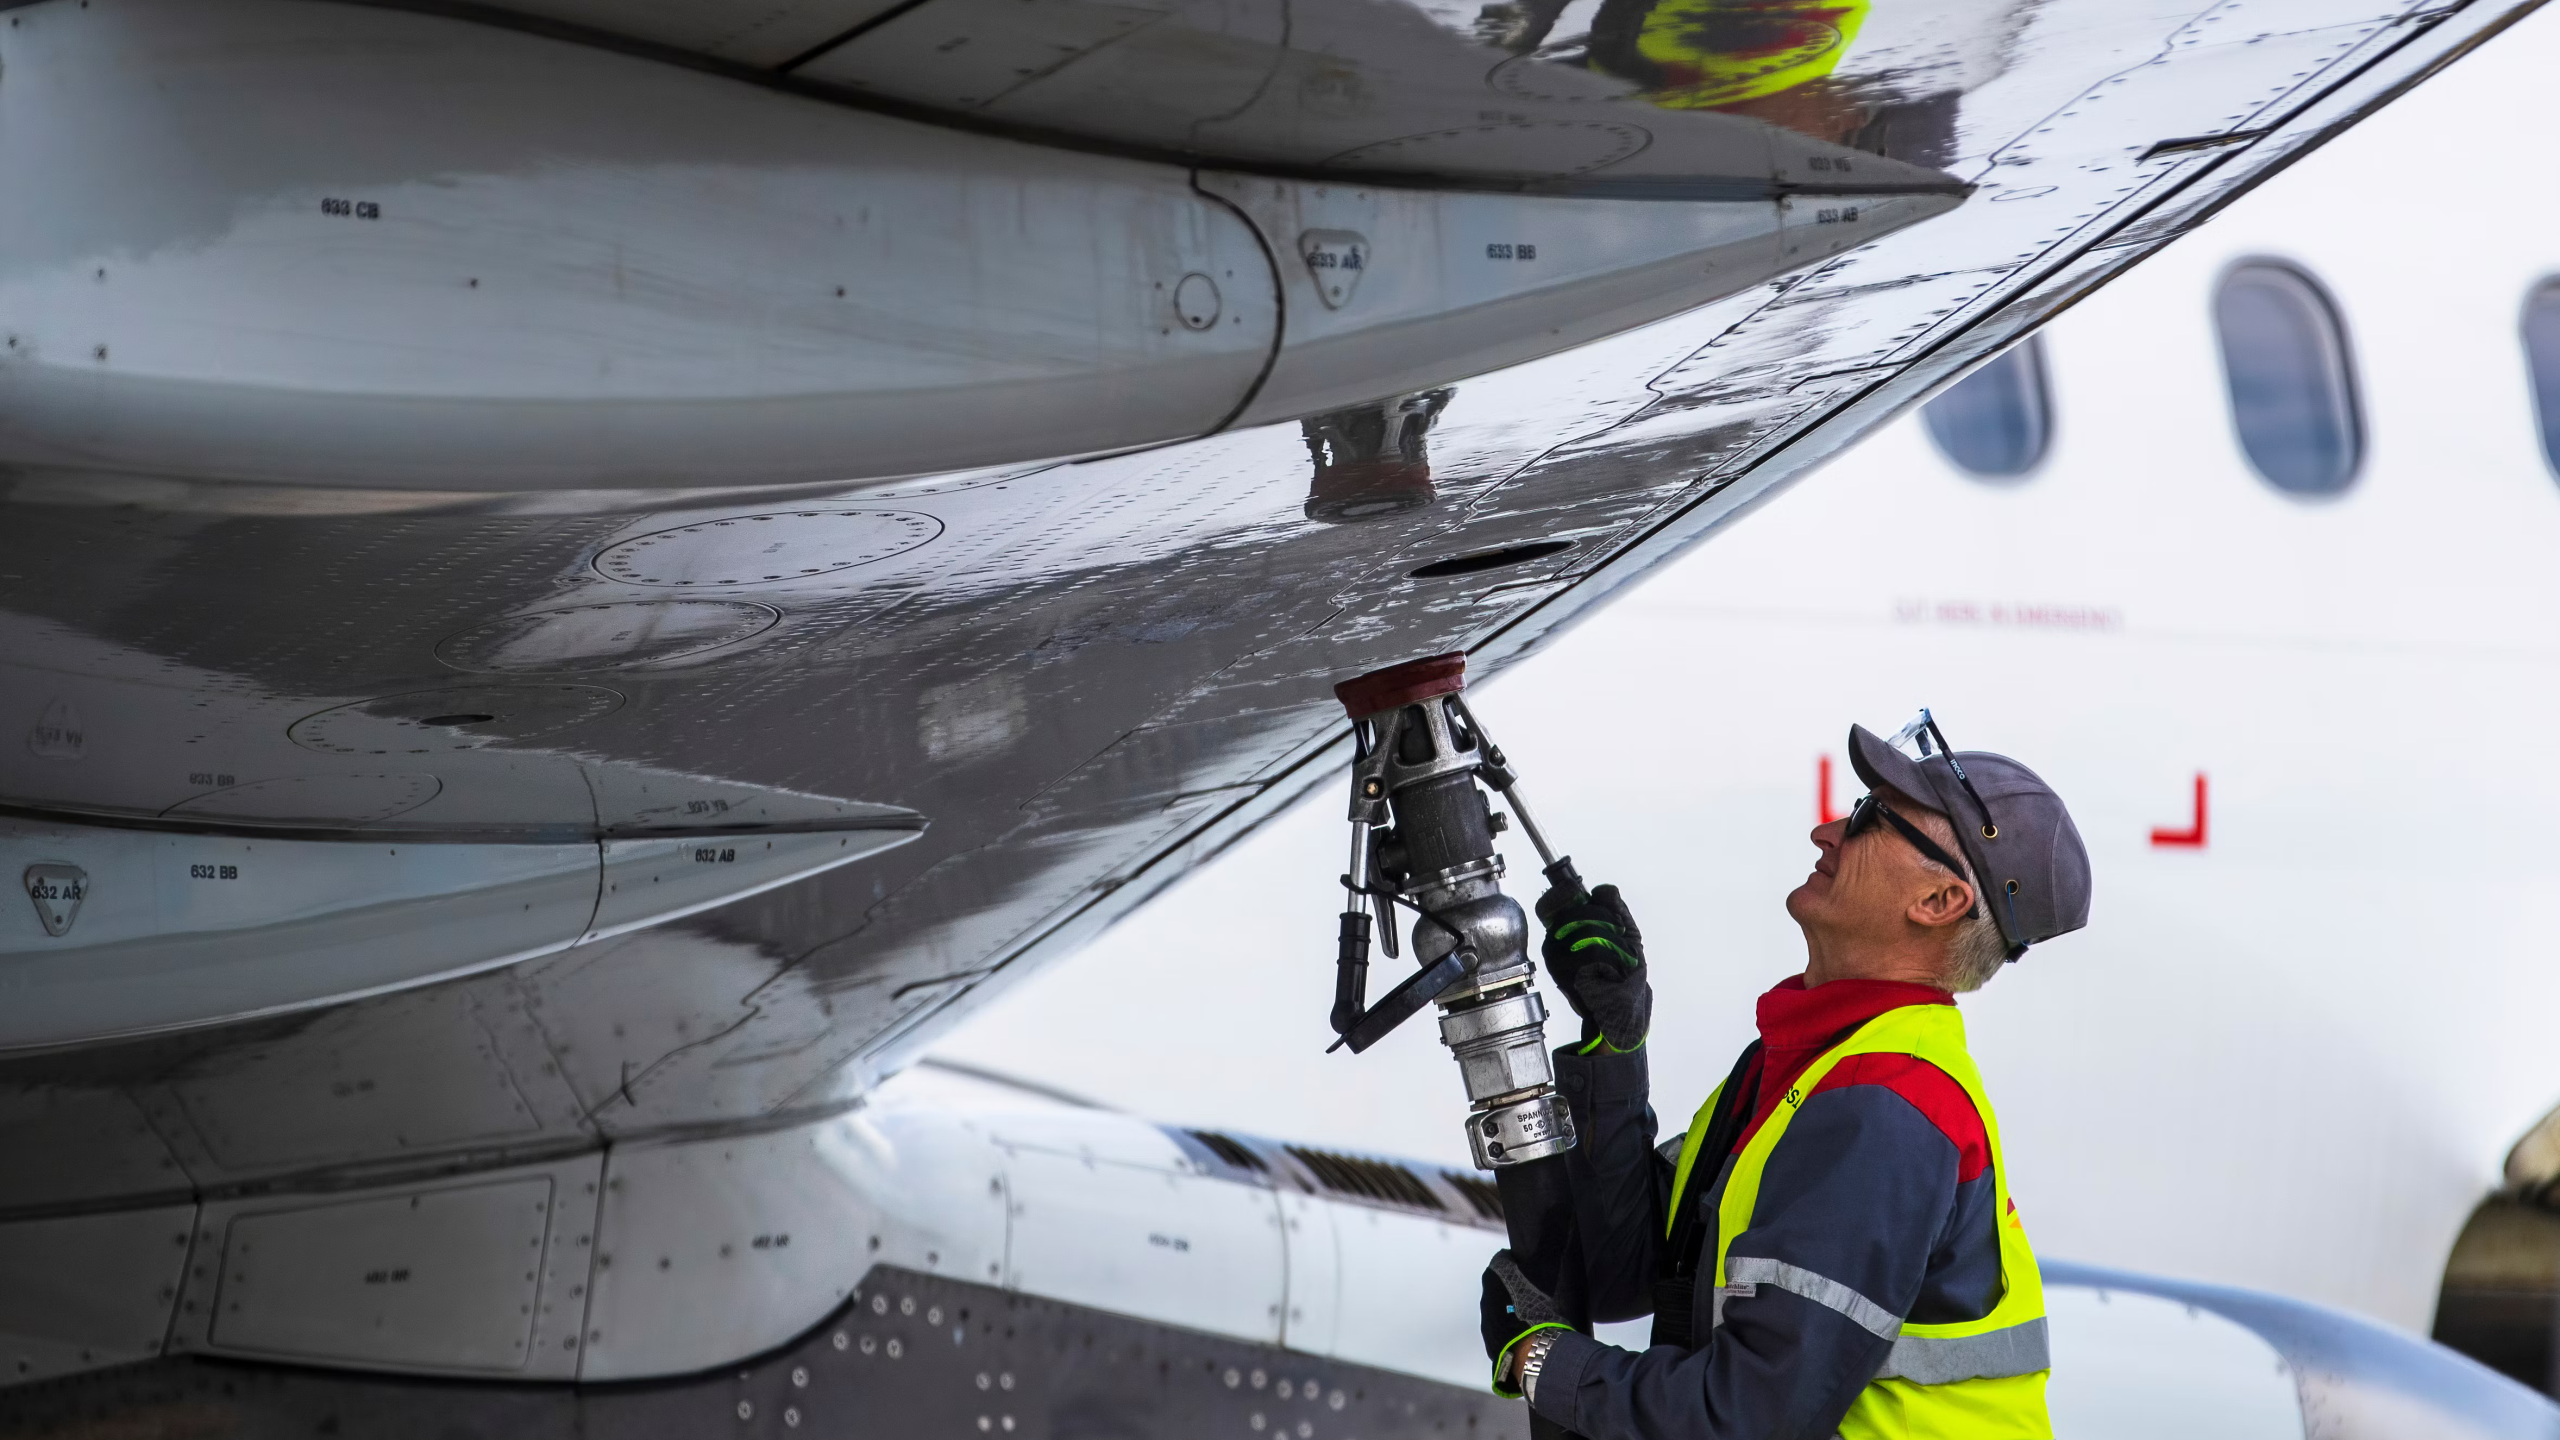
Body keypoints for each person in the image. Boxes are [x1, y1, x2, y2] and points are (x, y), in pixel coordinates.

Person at [1480, 713, 2092, 1439]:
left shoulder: (1888, 1106)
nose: (1827, 832)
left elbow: (1745, 1417)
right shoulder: (1813, 1063)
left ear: (1938, 903)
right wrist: (1616, 1045)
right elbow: (1636, 1270)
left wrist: (1545, 1365)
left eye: (1870, 819)